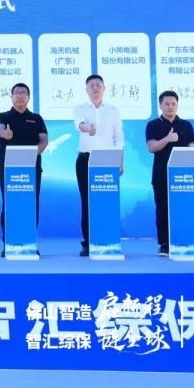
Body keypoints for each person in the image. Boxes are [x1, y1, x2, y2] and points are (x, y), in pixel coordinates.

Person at [0, 82, 48, 256]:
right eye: (16, 92)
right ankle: (8, 244)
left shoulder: (37, 118)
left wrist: (31, 154)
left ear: (29, 97)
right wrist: (4, 133)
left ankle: (29, 241)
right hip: (8, 171)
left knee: (31, 206)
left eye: (23, 93)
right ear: (11, 96)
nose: (20, 96)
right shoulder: (4, 116)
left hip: (32, 170)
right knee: (9, 206)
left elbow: (44, 141)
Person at [73, 74, 125, 256]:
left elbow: (119, 138)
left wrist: (120, 161)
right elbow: (79, 124)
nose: (95, 88)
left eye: (98, 85)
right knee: (87, 201)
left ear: (104, 88)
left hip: (107, 160)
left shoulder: (113, 110)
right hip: (85, 159)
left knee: (106, 201)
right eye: (92, 85)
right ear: (86, 89)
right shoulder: (80, 108)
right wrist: (89, 129)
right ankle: (88, 242)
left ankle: (108, 239)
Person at [145, 90, 194, 256]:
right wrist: (167, 139)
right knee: (163, 209)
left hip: (183, 176)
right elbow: (152, 147)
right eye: (166, 104)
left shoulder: (186, 125)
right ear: (160, 105)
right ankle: (165, 244)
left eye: (173, 103)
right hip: (161, 175)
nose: (170, 107)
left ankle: (184, 240)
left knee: (183, 208)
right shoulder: (153, 125)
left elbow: (193, 148)